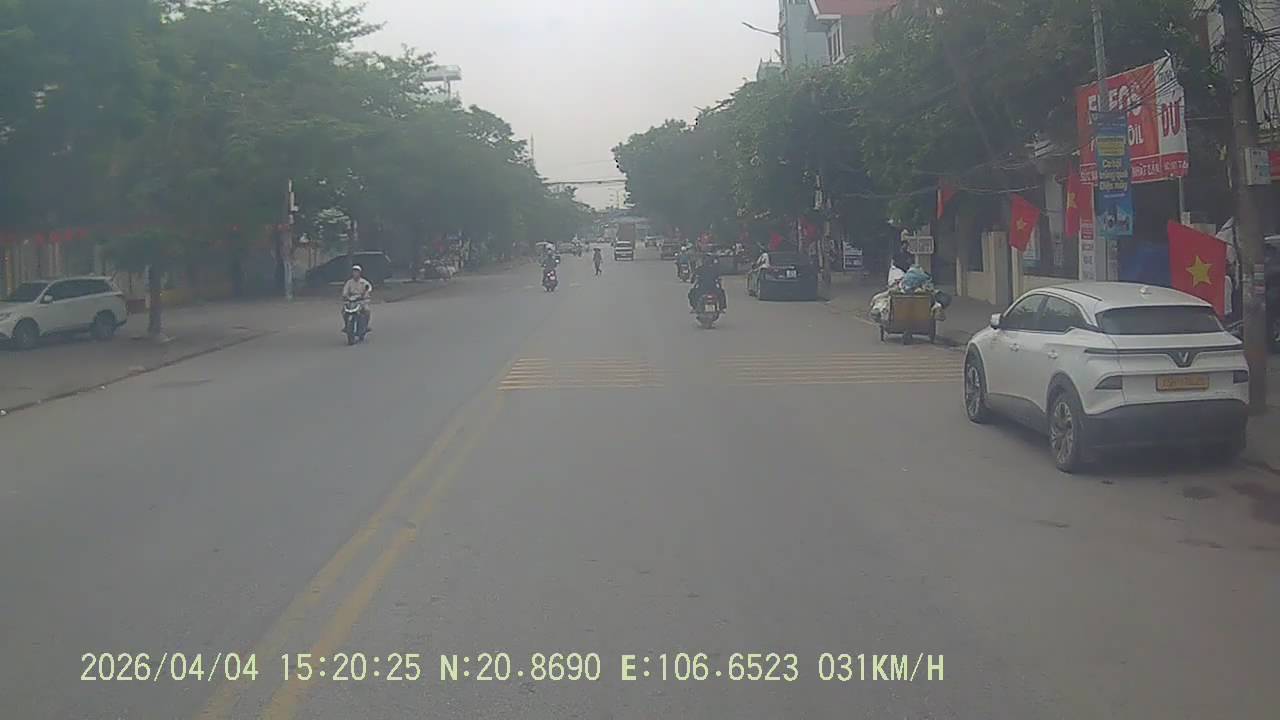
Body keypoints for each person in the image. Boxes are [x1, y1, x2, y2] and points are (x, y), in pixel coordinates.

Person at [341, 265, 373, 330]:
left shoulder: (364, 282)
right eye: (354, 272)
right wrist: (346, 296)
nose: (355, 273)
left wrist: (365, 294)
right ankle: (346, 325)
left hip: (362, 300)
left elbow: (368, 288)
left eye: (357, 272)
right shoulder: (349, 282)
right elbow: (345, 291)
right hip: (351, 300)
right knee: (344, 311)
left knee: (367, 310)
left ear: (360, 273)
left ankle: (366, 326)